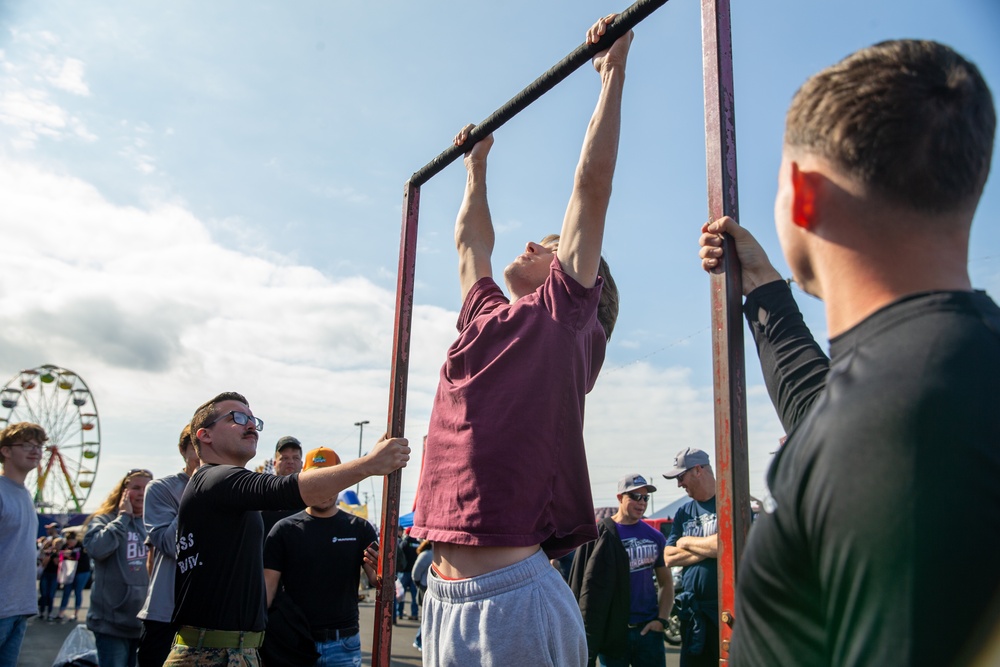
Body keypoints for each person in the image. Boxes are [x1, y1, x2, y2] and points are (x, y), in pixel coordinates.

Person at [697, 39, 999, 666]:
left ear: (803, 193)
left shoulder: (898, 432)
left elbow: (858, 436)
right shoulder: (948, 373)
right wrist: (764, 288)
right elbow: (826, 412)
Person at [409, 15, 631, 665]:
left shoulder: (562, 317)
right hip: (442, 596)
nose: (531, 243)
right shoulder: (484, 318)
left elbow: (591, 190)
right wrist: (476, 166)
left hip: (511, 598)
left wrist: (613, 73)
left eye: (550, 244)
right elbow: (469, 243)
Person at [165, 391, 408, 666]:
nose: (251, 425)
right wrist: (369, 465)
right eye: (238, 417)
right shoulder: (213, 478)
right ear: (204, 435)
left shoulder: (225, 491)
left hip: (235, 650)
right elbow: (282, 488)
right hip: (211, 654)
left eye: (254, 419)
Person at [263, 446, 378, 667]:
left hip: (343, 644)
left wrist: (382, 574)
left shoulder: (360, 528)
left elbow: (378, 579)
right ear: (305, 480)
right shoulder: (284, 529)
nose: (324, 488)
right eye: (317, 479)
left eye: (330, 479)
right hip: (293, 643)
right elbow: (267, 591)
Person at [571, 474, 672, 667]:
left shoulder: (655, 537)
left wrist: (662, 620)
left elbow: (666, 583)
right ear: (620, 498)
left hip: (648, 631)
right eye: (635, 496)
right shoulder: (601, 534)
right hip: (613, 633)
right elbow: (583, 584)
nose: (641, 502)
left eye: (645, 498)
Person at [136, 424, 200, 666]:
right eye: (195, 447)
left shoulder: (226, 488)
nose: (202, 454)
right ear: (183, 450)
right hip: (165, 615)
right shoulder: (161, 488)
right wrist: (196, 488)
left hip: (208, 620)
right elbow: (168, 544)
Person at [84, 468, 154, 667]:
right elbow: (97, 549)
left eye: (147, 488)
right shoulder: (104, 520)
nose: (142, 493)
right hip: (111, 624)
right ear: (123, 492)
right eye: (136, 488)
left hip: (144, 623)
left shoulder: (152, 523)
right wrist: (123, 517)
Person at [661, 449, 718, 667]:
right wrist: (711, 547)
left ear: (697, 470)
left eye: (680, 477)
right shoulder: (684, 512)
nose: (679, 484)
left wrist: (686, 542)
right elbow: (669, 556)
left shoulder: (729, 501)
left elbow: (727, 545)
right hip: (692, 612)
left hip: (723, 612)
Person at [0, 422, 47, 665]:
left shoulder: (24, 493)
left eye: (39, 446)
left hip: (20, 605)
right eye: (27, 445)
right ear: (6, 451)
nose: (36, 450)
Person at [262, 436, 308, 537]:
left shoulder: (310, 499)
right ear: (275, 463)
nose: (290, 461)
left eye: (295, 458)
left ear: (302, 464)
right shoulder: (262, 495)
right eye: (284, 458)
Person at [55, 530, 91, 623]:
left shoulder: (81, 546)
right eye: (69, 541)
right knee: (66, 591)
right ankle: (61, 613)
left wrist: (71, 554)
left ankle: (75, 613)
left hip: (82, 571)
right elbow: (61, 556)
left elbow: (82, 556)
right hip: (69, 572)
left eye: (72, 541)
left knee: (78, 592)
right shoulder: (65, 546)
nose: (70, 543)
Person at [410, 540, 433, 652]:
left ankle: (419, 640)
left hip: (428, 587)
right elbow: (415, 573)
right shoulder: (427, 554)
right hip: (426, 587)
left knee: (429, 617)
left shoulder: (432, 553)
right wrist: (419, 584)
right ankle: (419, 641)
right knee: (428, 617)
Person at [37, 531, 62, 622]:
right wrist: (48, 555)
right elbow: (43, 564)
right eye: (57, 544)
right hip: (46, 574)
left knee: (51, 595)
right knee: (44, 595)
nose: (58, 546)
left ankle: (50, 613)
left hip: (54, 575)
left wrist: (58, 556)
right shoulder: (48, 553)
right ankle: (41, 612)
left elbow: (59, 564)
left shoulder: (61, 554)